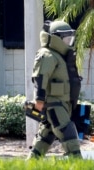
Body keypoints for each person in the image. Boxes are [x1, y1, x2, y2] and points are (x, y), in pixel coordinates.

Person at [26, 20, 82, 159]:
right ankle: (77, 161)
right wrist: (39, 99)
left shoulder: (60, 56)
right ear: (56, 38)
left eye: (70, 38)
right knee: (66, 130)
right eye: (66, 39)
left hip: (61, 102)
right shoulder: (47, 55)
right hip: (54, 103)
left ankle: (32, 162)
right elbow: (40, 77)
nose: (69, 42)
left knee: (47, 133)